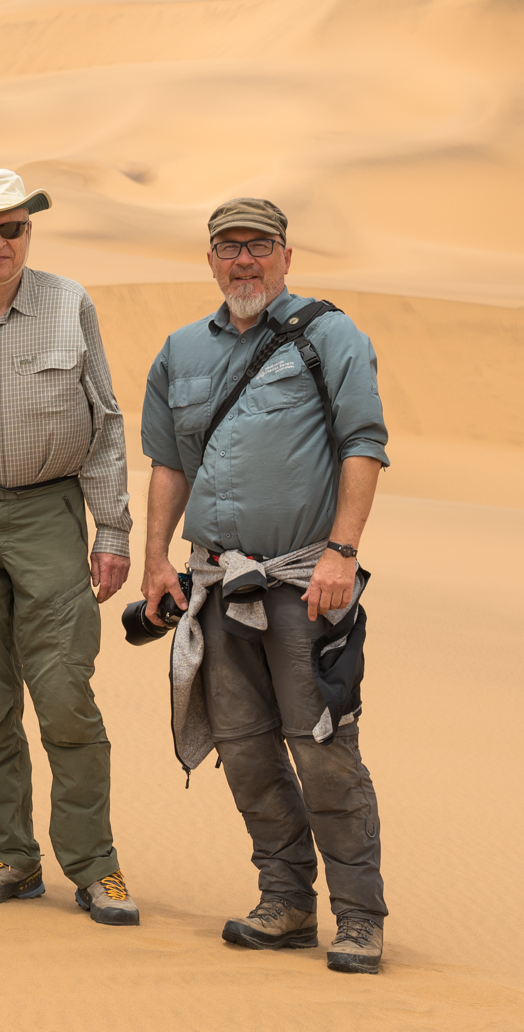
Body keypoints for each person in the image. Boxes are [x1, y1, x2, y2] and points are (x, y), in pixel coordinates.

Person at [139, 197, 389, 974]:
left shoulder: (330, 336)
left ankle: (358, 917)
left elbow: (363, 443)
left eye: (260, 247)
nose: (244, 262)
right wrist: (156, 561)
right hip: (216, 586)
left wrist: (342, 551)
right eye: (229, 248)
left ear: (287, 254)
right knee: (244, 751)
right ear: (209, 259)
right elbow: (169, 466)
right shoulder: (181, 351)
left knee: (322, 750)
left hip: (304, 585)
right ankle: (283, 902)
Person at [0, 169, 140, 926]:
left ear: (28, 232)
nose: (0, 242)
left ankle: (95, 866)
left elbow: (106, 422)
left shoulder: (69, 304)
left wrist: (111, 531)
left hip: (50, 515)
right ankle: (12, 857)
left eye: (14, 227)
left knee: (66, 698)